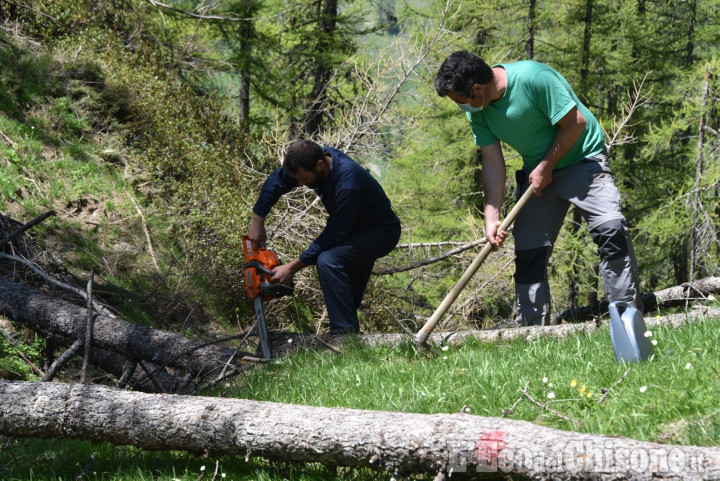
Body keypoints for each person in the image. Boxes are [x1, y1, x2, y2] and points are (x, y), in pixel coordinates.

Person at [434, 50, 643, 326]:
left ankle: (629, 319)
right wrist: (491, 216)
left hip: (585, 160)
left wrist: (546, 166)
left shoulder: (535, 78)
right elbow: (493, 162)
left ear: (477, 89)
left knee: (611, 231)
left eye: (461, 101)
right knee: (529, 252)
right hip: (539, 174)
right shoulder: (479, 110)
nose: (463, 108)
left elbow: (575, 123)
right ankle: (532, 332)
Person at [249, 139, 401, 334]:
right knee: (346, 295)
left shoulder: (348, 182)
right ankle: (350, 338)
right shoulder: (310, 163)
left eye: (304, 179)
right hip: (354, 229)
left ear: (320, 164)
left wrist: (291, 268)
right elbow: (276, 181)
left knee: (328, 260)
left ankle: (343, 336)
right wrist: (257, 221)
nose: (301, 184)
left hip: (381, 232)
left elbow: (335, 234)